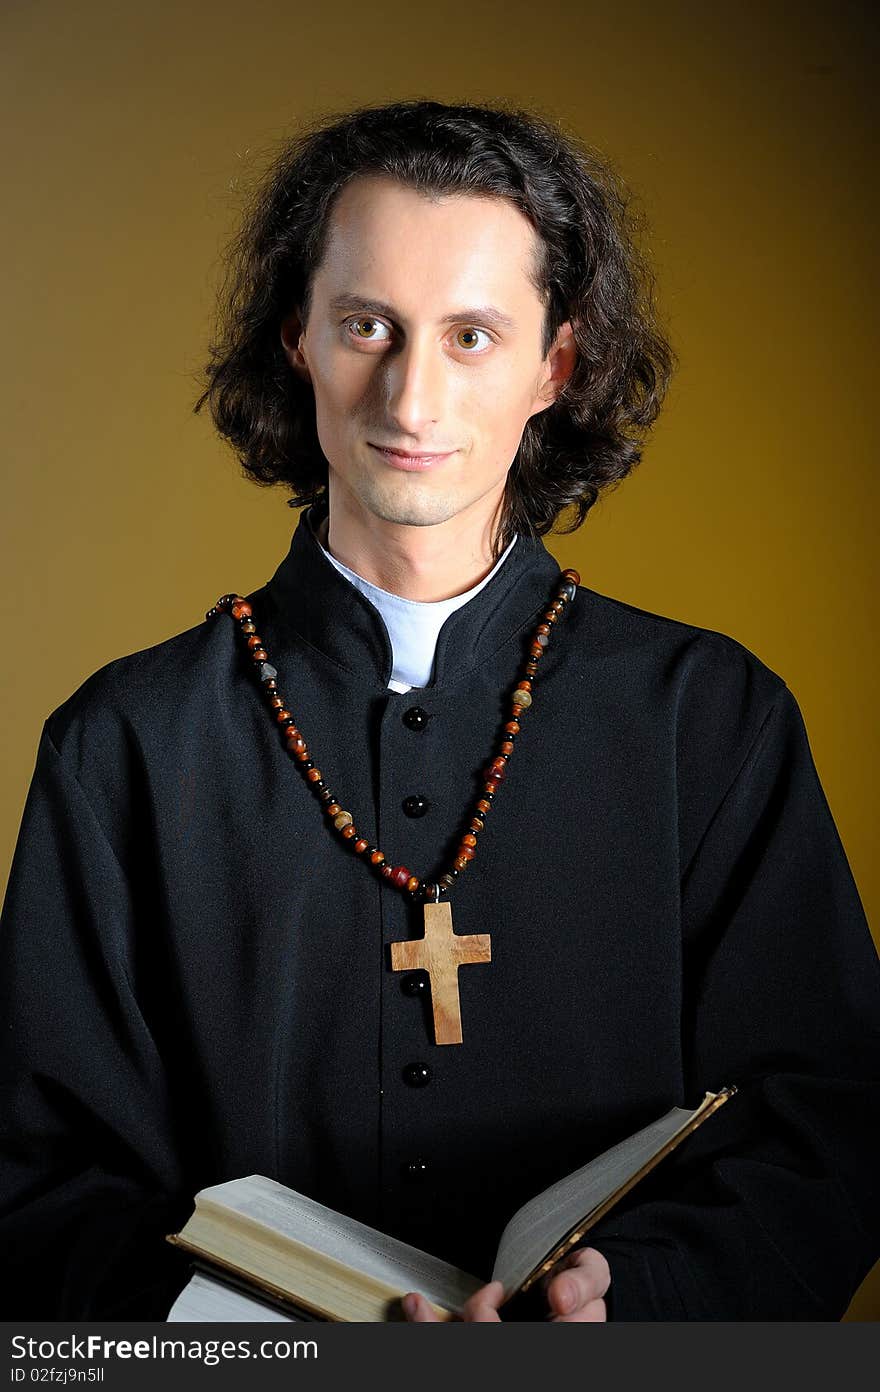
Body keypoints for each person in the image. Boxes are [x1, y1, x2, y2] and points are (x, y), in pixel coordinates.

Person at [1, 98, 878, 1323]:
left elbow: (823, 1122)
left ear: (553, 367)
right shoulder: (124, 743)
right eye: (368, 326)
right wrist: (276, 1343)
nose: (411, 401)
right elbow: (37, 1178)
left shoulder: (708, 717)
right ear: (297, 338)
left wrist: (630, 1303)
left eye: (472, 335)